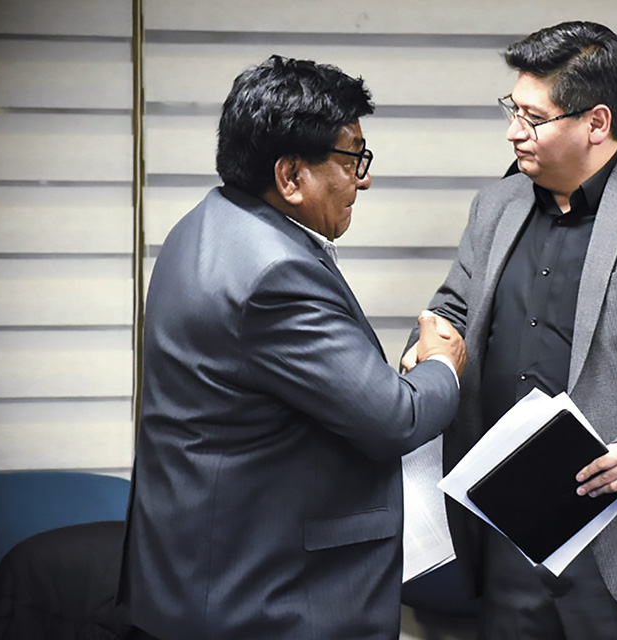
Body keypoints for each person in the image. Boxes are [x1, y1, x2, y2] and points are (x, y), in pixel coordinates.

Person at [404, 22, 617, 638]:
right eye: (513, 110)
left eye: (534, 117)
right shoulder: (497, 205)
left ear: (595, 123)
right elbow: (450, 313)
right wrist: (424, 354)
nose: (515, 130)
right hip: (507, 526)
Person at [117, 56, 466, 640]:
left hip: (202, 575)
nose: (364, 178)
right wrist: (440, 365)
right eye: (353, 157)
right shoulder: (275, 273)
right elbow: (393, 418)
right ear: (290, 176)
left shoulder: (203, 225)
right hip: (262, 599)